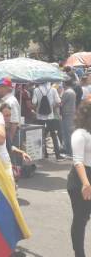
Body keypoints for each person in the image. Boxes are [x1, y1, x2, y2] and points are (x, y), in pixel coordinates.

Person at [67, 100, 91, 257]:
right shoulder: (79, 134)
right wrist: (85, 183)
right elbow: (77, 160)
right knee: (81, 219)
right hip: (80, 179)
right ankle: (79, 253)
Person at [32, 82, 63, 160]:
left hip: (39, 116)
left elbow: (34, 102)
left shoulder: (36, 90)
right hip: (50, 116)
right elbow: (58, 101)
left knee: (41, 135)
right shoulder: (53, 90)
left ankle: (44, 154)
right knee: (53, 135)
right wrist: (52, 106)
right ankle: (58, 155)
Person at [61, 79, 77, 156]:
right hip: (71, 113)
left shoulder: (67, 92)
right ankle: (70, 150)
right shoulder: (72, 91)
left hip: (67, 114)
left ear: (65, 83)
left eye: (63, 83)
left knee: (67, 133)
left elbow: (61, 103)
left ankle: (69, 151)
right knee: (69, 132)